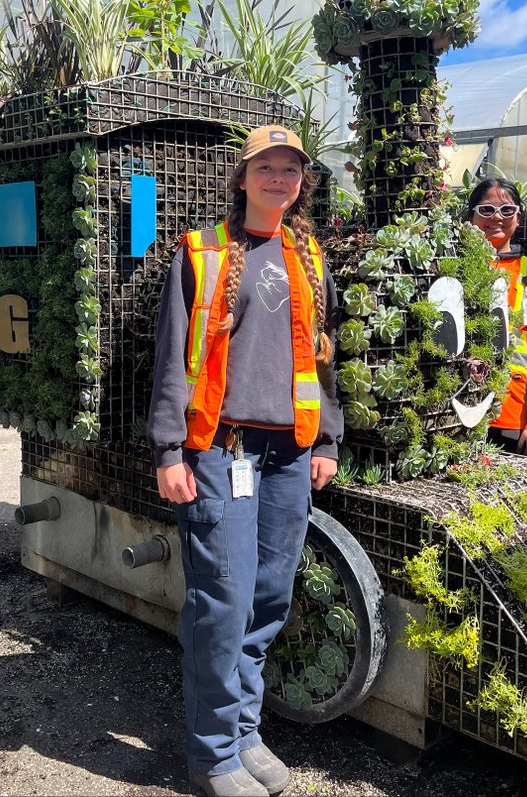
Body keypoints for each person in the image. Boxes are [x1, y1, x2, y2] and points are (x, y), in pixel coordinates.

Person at [147, 125, 342, 797]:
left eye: (291, 169)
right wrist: (170, 448)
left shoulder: (307, 253)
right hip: (220, 448)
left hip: (289, 453)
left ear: (301, 183)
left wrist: (327, 439)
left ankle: (244, 731)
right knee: (222, 603)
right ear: (242, 177)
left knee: (267, 597)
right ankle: (211, 756)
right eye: (267, 167)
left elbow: (321, 356)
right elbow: (174, 356)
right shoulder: (202, 252)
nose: (279, 178)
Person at [465, 178, 527, 458]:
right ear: (470, 216)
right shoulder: (447, 265)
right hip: (450, 413)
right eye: (486, 210)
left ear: (518, 218)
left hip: (509, 414)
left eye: (507, 210)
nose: (497, 217)